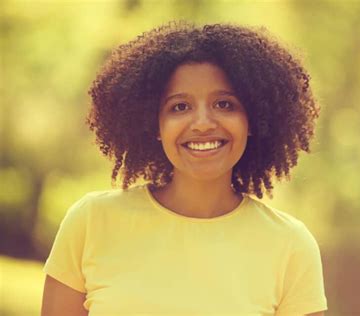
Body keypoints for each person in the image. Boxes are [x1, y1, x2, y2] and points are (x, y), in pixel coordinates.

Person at [41, 21, 328, 316]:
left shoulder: (291, 246)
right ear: (155, 125)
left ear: (253, 120)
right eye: (179, 107)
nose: (202, 123)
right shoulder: (91, 222)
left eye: (225, 104)